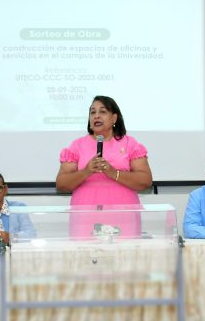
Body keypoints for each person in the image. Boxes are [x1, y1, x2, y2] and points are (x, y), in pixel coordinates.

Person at [56, 95, 153, 238]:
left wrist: (113, 173)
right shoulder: (77, 146)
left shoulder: (129, 144)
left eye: (102, 112)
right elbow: (61, 184)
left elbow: (145, 181)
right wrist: (86, 172)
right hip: (85, 217)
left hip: (123, 215)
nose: (96, 116)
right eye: (92, 112)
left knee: (124, 252)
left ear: (114, 118)